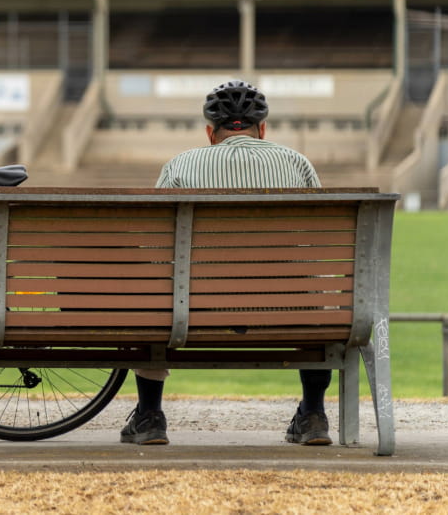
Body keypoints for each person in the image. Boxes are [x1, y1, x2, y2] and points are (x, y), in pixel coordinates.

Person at [120, 79, 331, 446]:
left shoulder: (181, 165)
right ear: (262, 129)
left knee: (153, 296)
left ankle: (150, 415)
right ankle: (313, 414)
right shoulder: (297, 163)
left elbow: (157, 248)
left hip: (197, 307)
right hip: (289, 308)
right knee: (309, 288)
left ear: (209, 132)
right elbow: (316, 239)